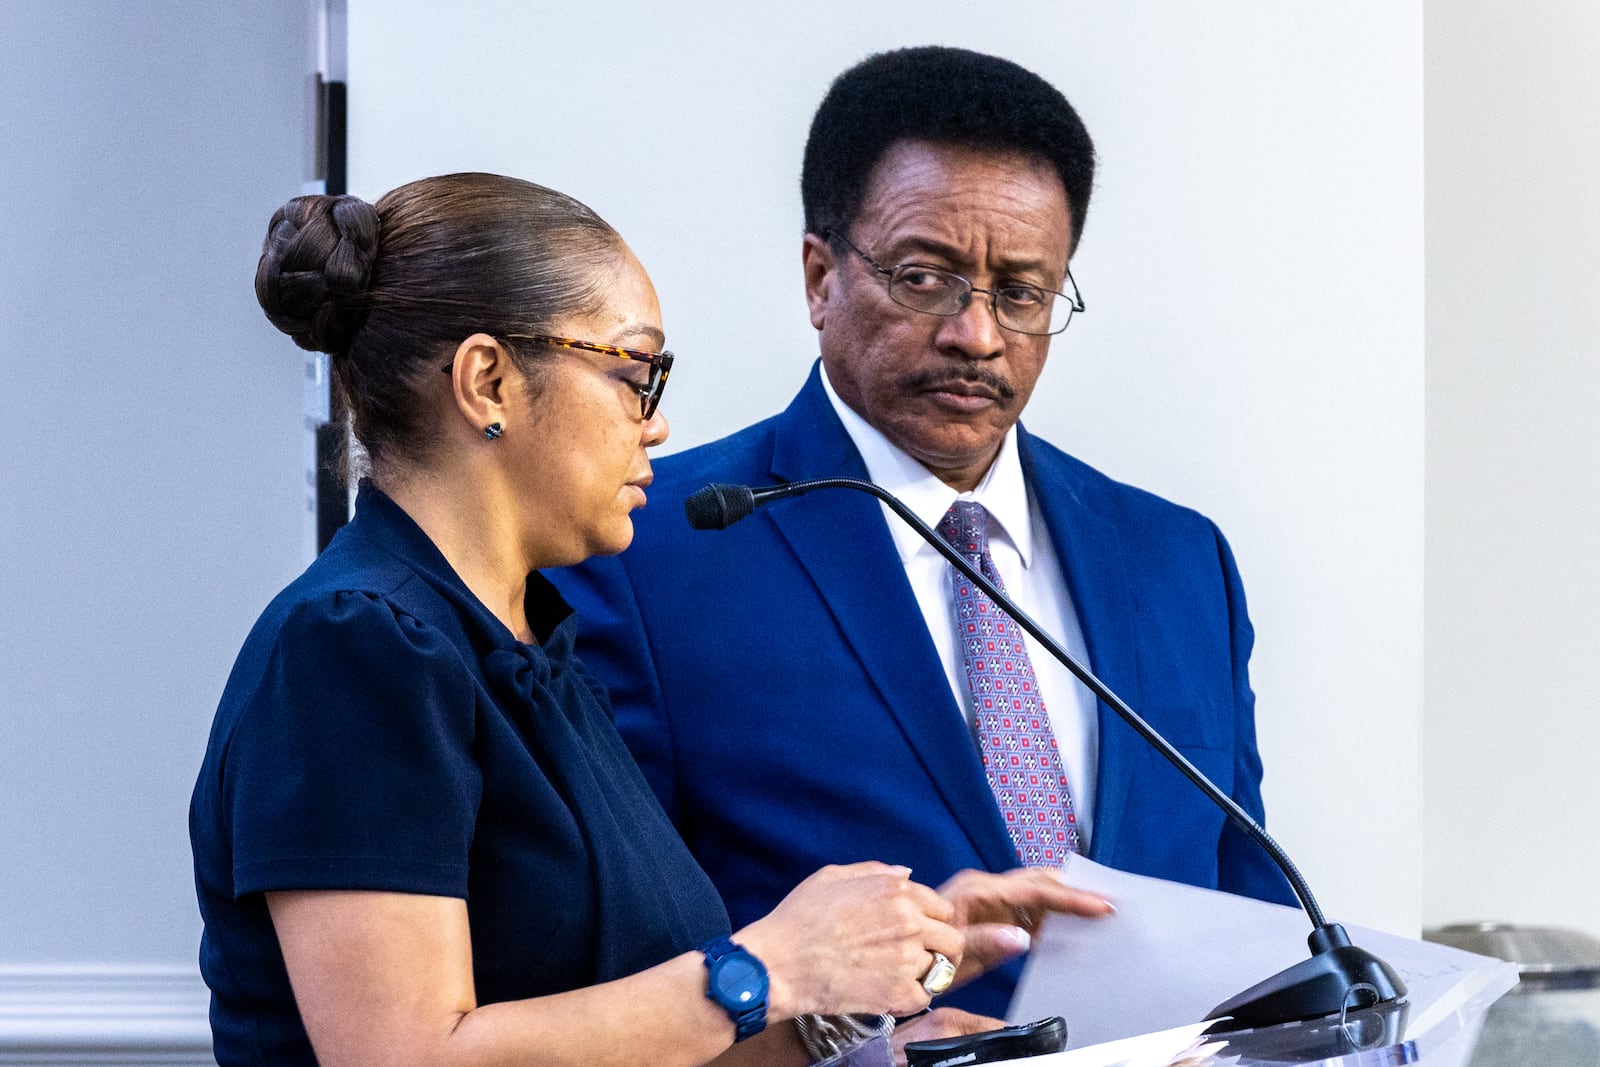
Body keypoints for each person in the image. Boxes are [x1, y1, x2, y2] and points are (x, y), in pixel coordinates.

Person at [189, 172, 1111, 1067]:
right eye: (637, 372)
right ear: (488, 382)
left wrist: (861, 1003)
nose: (657, 425)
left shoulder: (533, 652)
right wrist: (770, 966)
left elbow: (644, 1035)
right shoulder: (355, 641)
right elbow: (405, 1054)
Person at [550, 45, 1297, 1022]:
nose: (976, 335)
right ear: (820, 277)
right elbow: (609, 944)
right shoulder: (649, 550)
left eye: (1022, 293)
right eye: (924, 278)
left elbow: (1248, 907)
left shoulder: (1177, 561)